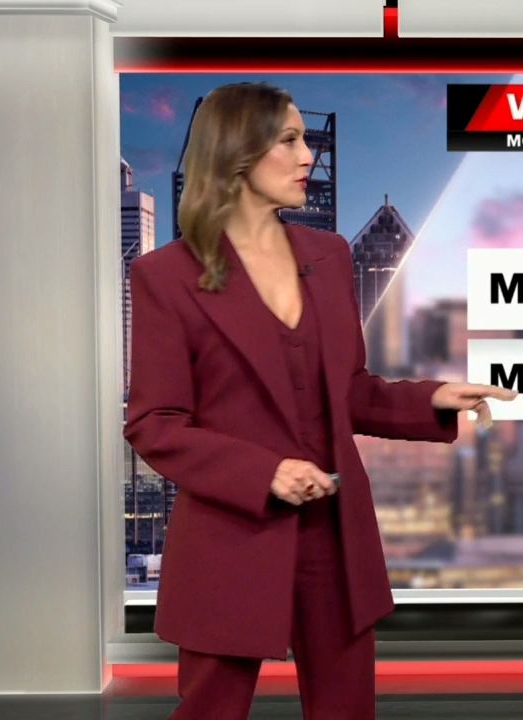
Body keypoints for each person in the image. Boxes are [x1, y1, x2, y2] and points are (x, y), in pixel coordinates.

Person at [122, 81, 517, 720]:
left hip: (336, 534)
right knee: (212, 710)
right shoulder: (165, 275)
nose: (308, 156)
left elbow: (348, 390)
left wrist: (434, 398)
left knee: (347, 709)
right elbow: (155, 423)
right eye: (289, 140)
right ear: (237, 153)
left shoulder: (328, 257)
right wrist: (265, 473)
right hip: (233, 536)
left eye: (305, 140)